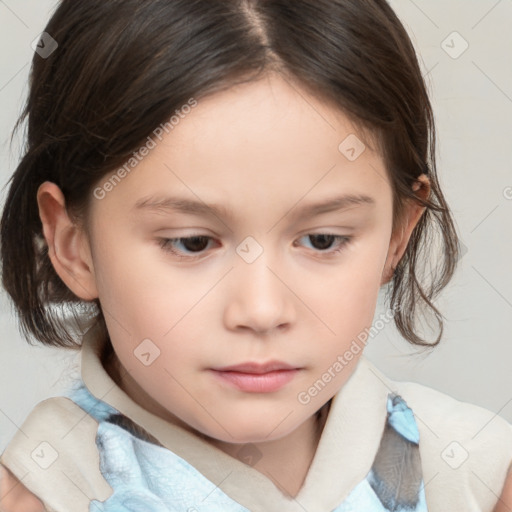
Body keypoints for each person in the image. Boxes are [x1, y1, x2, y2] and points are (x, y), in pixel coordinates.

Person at [1, 1, 512, 511]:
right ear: (73, 244)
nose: (262, 310)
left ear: (397, 235)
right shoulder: (40, 491)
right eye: (192, 242)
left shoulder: (473, 474)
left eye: (323, 240)